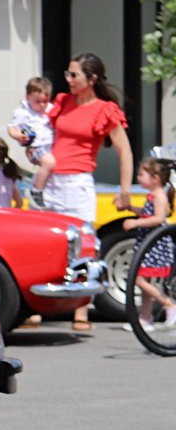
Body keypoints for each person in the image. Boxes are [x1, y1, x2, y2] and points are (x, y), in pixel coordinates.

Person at [46, 52, 134, 332]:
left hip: (78, 183)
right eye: (67, 74)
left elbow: (125, 151)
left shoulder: (104, 109)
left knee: (83, 245)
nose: (69, 80)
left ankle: (81, 307)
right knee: (49, 244)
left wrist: (124, 190)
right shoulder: (63, 102)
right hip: (51, 181)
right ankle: (42, 306)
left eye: (75, 75)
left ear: (91, 79)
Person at [121, 157, 176, 331]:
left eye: (141, 174)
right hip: (147, 242)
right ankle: (145, 318)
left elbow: (159, 218)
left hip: (154, 245)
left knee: (138, 279)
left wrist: (135, 223)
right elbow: (146, 213)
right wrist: (130, 208)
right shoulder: (152, 195)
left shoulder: (159, 196)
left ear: (155, 178)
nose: (138, 177)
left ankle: (169, 304)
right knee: (145, 282)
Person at [7, 76, 56, 208]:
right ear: (28, 97)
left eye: (45, 101)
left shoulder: (50, 109)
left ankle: (44, 188)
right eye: (37, 101)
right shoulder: (23, 112)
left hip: (50, 145)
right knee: (49, 162)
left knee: (52, 165)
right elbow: (11, 128)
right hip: (35, 146)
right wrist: (18, 136)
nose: (41, 105)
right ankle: (36, 191)